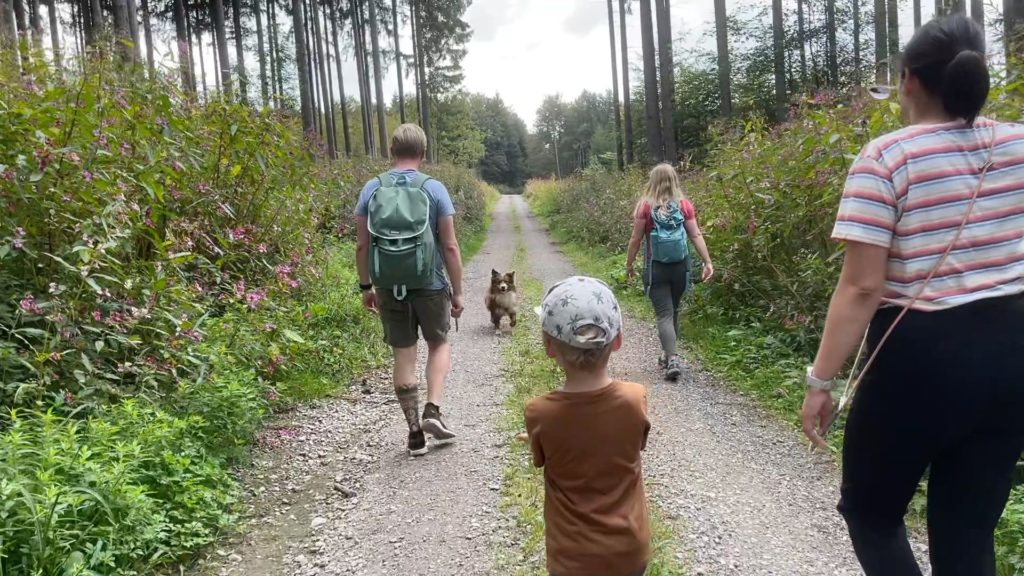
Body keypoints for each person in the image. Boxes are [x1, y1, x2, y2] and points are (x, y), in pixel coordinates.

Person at [800, 15, 1024, 576]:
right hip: (1012, 353)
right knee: (969, 529)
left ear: (908, 80)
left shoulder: (887, 158)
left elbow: (862, 286)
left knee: (870, 514)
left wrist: (820, 382)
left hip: (920, 359)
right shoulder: (1019, 145)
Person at [520, 276, 651, 576]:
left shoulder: (540, 413)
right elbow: (631, 443)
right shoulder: (635, 399)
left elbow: (543, 457)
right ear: (617, 341)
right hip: (629, 552)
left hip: (571, 558)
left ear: (549, 347)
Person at [355, 123, 465, 457]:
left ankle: (414, 432)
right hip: (430, 284)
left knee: (403, 353)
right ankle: (433, 408)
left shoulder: (371, 189)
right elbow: (450, 247)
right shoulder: (434, 189)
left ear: (392, 151)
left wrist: (366, 287)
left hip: (389, 286)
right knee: (439, 343)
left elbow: (362, 245)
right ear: (423, 153)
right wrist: (457, 292)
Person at [625, 163, 714, 380]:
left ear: (652, 181)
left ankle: (671, 358)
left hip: (656, 268)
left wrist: (629, 265)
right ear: (674, 180)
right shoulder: (684, 205)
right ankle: (669, 355)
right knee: (673, 310)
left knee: (664, 314)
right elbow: (695, 235)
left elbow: (636, 239)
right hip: (680, 267)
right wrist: (707, 261)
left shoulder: (645, 207)